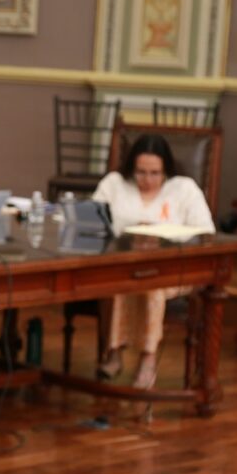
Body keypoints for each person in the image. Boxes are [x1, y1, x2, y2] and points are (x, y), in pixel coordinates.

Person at [91, 134, 215, 388]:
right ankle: (114, 352)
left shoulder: (184, 188)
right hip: (123, 265)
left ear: (166, 169)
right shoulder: (114, 184)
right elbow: (90, 223)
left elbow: (206, 233)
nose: (147, 180)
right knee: (123, 281)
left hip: (173, 270)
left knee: (152, 285)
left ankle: (148, 359)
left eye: (155, 173)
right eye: (141, 172)